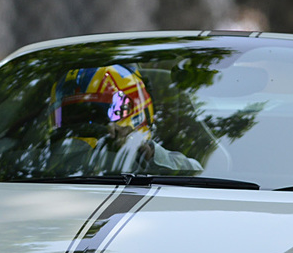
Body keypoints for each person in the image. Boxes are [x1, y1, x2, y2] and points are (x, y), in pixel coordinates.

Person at [47, 64, 201, 175]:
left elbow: (197, 172)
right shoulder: (34, 162)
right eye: (70, 118)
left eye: (94, 116)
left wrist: (147, 153)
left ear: (136, 111)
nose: (80, 126)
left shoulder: (151, 160)